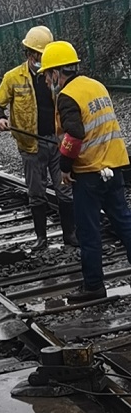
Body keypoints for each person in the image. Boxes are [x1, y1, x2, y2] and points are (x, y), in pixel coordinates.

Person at [39, 40, 131, 301]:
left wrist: (65, 167)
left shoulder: (67, 96)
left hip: (89, 173)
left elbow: (75, 134)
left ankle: (93, 286)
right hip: (114, 167)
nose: (47, 81)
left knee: (88, 231)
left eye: (47, 75)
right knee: (124, 223)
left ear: (57, 72)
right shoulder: (96, 85)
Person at [0, 25, 77, 250]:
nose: (40, 59)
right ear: (29, 53)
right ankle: (42, 239)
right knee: (36, 193)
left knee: (64, 190)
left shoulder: (55, 75)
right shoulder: (13, 77)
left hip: (57, 142)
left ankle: (70, 235)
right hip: (30, 145)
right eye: (38, 54)